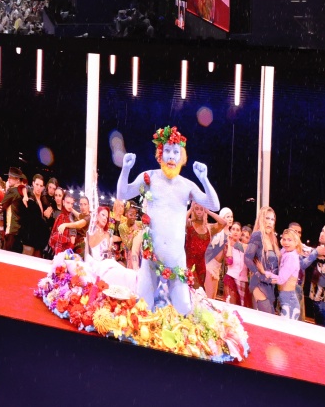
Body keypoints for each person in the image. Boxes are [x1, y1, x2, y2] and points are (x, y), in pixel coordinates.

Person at [115, 126, 220, 315]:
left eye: (176, 152)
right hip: (151, 257)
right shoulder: (149, 177)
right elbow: (122, 193)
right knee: (142, 309)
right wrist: (125, 170)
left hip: (176, 260)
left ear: (182, 157)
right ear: (160, 154)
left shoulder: (187, 185)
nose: (171, 157)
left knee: (183, 311)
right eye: (168, 152)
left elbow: (214, 205)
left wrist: (204, 180)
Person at [245, 206, 280, 314]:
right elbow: (247, 258)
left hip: (270, 285)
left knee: (269, 319)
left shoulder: (272, 239)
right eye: (267, 218)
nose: (270, 222)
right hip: (259, 283)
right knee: (268, 318)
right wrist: (260, 275)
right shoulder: (257, 235)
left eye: (272, 219)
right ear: (261, 219)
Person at [273, 228, 303, 320]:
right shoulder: (286, 252)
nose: (286, 242)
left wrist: (264, 273)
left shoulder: (291, 257)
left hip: (289, 300)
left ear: (296, 242)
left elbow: (281, 279)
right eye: (284, 239)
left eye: (289, 240)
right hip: (285, 297)